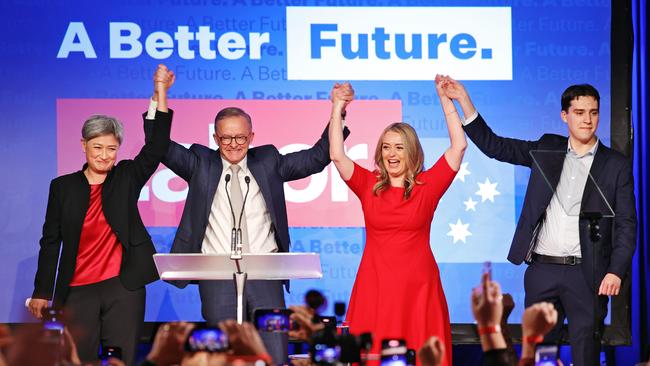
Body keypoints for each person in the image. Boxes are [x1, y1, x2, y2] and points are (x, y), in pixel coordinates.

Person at [144, 83, 351, 364]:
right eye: (226, 138)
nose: (233, 145)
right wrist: (160, 95)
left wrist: (338, 110)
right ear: (215, 137)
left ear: (252, 136)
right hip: (216, 276)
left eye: (240, 138)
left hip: (265, 272)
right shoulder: (200, 163)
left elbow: (315, 158)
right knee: (223, 354)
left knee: (274, 352)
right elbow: (159, 146)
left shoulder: (268, 161)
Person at [441, 78, 637, 365]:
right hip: (543, 270)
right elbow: (496, 146)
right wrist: (463, 99)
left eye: (593, 112)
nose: (588, 120)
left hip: (588, 273)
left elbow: (626, 224)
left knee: (586, 355)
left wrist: (616, 271)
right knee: (541, 356)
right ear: (565, 115)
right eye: (580, 113)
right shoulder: (548, 148)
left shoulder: (615, 164)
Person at [27, 65, 173, 365]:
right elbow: (50, 242)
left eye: (111, 148)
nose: (104, 155)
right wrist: (42, 291)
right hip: (77, 289)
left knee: (120, 359)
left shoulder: (126, 177)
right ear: (83, 146)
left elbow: (157, 147)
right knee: (76, 359)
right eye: (97, 147)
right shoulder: (63, 187)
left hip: (123, 287)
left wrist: (160, 92)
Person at [327, 76, 467, 365]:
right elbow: (337, 155)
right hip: (375, 286)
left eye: (400, 147)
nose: (392, 154)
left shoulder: (428, 187)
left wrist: (445, 99)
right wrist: (338, 106)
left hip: (418, 288)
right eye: (387, 147)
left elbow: (459, 147)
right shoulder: (368, 184)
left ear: (412, 152)